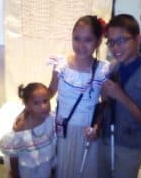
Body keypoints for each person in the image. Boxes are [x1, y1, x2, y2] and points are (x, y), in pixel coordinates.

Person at [99, 14, 141, 178]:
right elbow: (107, 104)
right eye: (111, 42)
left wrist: (121, 96)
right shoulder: (113, 67)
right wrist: (105, 96)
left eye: (122, 40)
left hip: (130, 147)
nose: (115, 48)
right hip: (105, 139)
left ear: (139, 40)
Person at [48, 15, 110, 178]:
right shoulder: (60, 65)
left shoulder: (101, 71)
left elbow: (105, 104)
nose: (81, 45)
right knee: (63, 167)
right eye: (77, 38)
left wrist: (97, 127)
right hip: (62, 128)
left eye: (88, 39)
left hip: (86, 131)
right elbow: (50, 91)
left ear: (98, 42)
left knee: (83, 170)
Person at [0, 83, 56, 178]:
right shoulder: (22, 127)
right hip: (28, 170)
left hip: (45, 165)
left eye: (46, 101)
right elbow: (14, 154)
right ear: (27, 105)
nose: (43, 106)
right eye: (36, 103)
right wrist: (15, 173)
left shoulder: (50, 118)